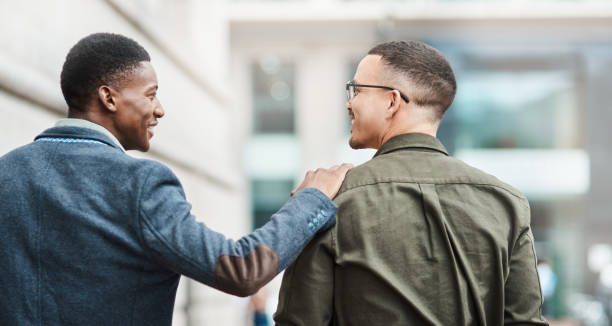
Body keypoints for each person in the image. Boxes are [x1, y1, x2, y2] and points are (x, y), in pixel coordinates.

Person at [0, 33, 352, 326]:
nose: (160, 109)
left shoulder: (6, 172)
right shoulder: (140, 184)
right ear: (108, 98)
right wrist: (312, 198)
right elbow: (241, 268)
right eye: (150, 94)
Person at [274, 40, 548, 326]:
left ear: (392, 101)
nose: (349, 102)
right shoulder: (507, 204)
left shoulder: (328, 199)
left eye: (356, 90)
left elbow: (299, 320)